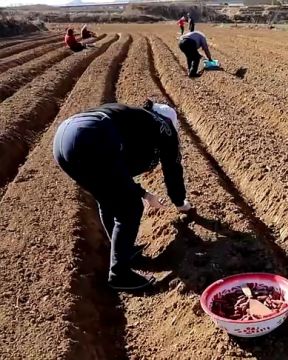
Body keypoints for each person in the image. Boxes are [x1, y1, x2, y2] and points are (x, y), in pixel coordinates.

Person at [53, 100, 193, 291]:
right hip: (90, 136)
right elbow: (172, 168)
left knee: (107, 197)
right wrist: (179, 202)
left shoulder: (136, 118)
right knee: (130, 207)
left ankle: (123, 252)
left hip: (63, 138)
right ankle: (120, 275)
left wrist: (142, 192)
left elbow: (117, 174)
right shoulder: (165, 126)